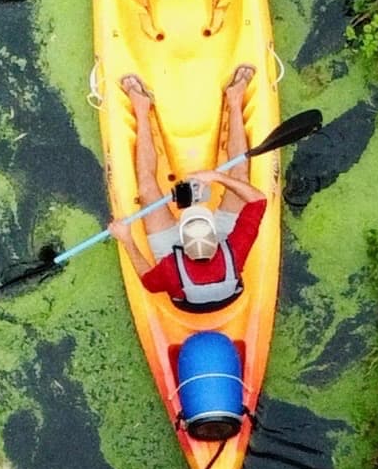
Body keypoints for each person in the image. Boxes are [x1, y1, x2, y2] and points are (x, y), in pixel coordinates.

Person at [108, 64, 266, 312]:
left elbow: (149, 282)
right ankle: (234, 101)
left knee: (148, 188)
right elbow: (258, 200)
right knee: (241, 178)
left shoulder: (171, 267)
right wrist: (217, 177)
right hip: (204, 265)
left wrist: (126, 239)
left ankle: (141, 109)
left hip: (184, 276)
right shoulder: (236, 249)